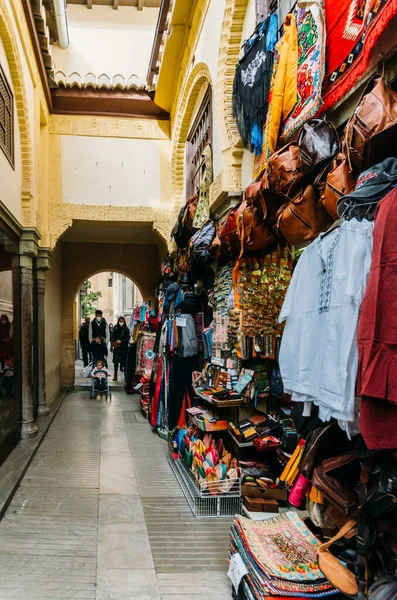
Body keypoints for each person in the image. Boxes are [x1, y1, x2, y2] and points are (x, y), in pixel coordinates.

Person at [111, 316, 130, 381]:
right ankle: (115, 375)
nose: (121, 322)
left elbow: (128, 338)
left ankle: (125, 376)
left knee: (124, 363)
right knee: (116, 362)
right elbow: (112, 336)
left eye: (122, 321)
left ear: (124, 322)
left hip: (124, 348)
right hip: (117, 348)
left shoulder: (126, 329)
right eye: (120, 321)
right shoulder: (115, 328)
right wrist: (116, 340)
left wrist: (121, 341)